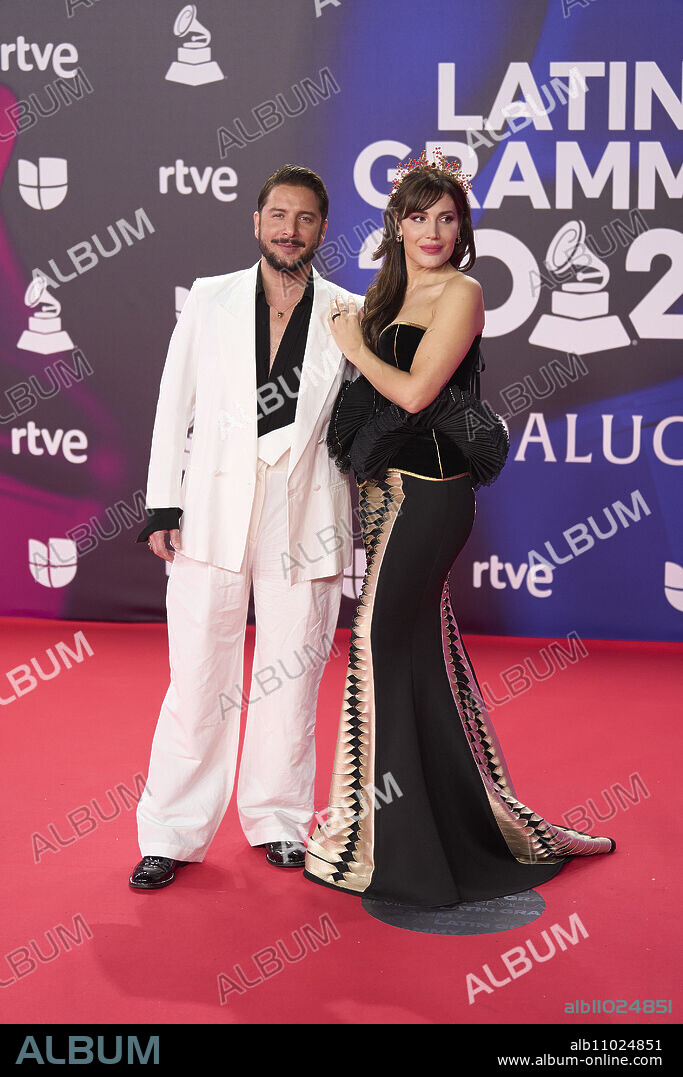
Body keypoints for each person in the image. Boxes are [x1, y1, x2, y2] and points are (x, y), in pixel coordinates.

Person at [303, 151, 615, 906]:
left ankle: (391, 840)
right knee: (413, 652)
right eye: (419, 217)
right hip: (386, 496)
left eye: (446, 217)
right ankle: (444, 823)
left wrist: (352, 346)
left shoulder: (462, 293)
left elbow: (412, 394)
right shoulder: (386, 292)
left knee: (380, 644)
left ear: (461, 225)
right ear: (398, 223)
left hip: (432, 497)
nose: (433, 230)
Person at [129, 164, 364, 890]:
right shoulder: (210, 299)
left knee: (290, 676)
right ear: (256, 221)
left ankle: (280, 819)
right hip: (210, 509)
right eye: (278, 215)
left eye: (304, 218)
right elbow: (176, 401)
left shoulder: (351, 310)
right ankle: (172, 829)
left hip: (310, 513)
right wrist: (162, 504)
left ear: (323, 229)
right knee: (197, 673)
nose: (289, 229)